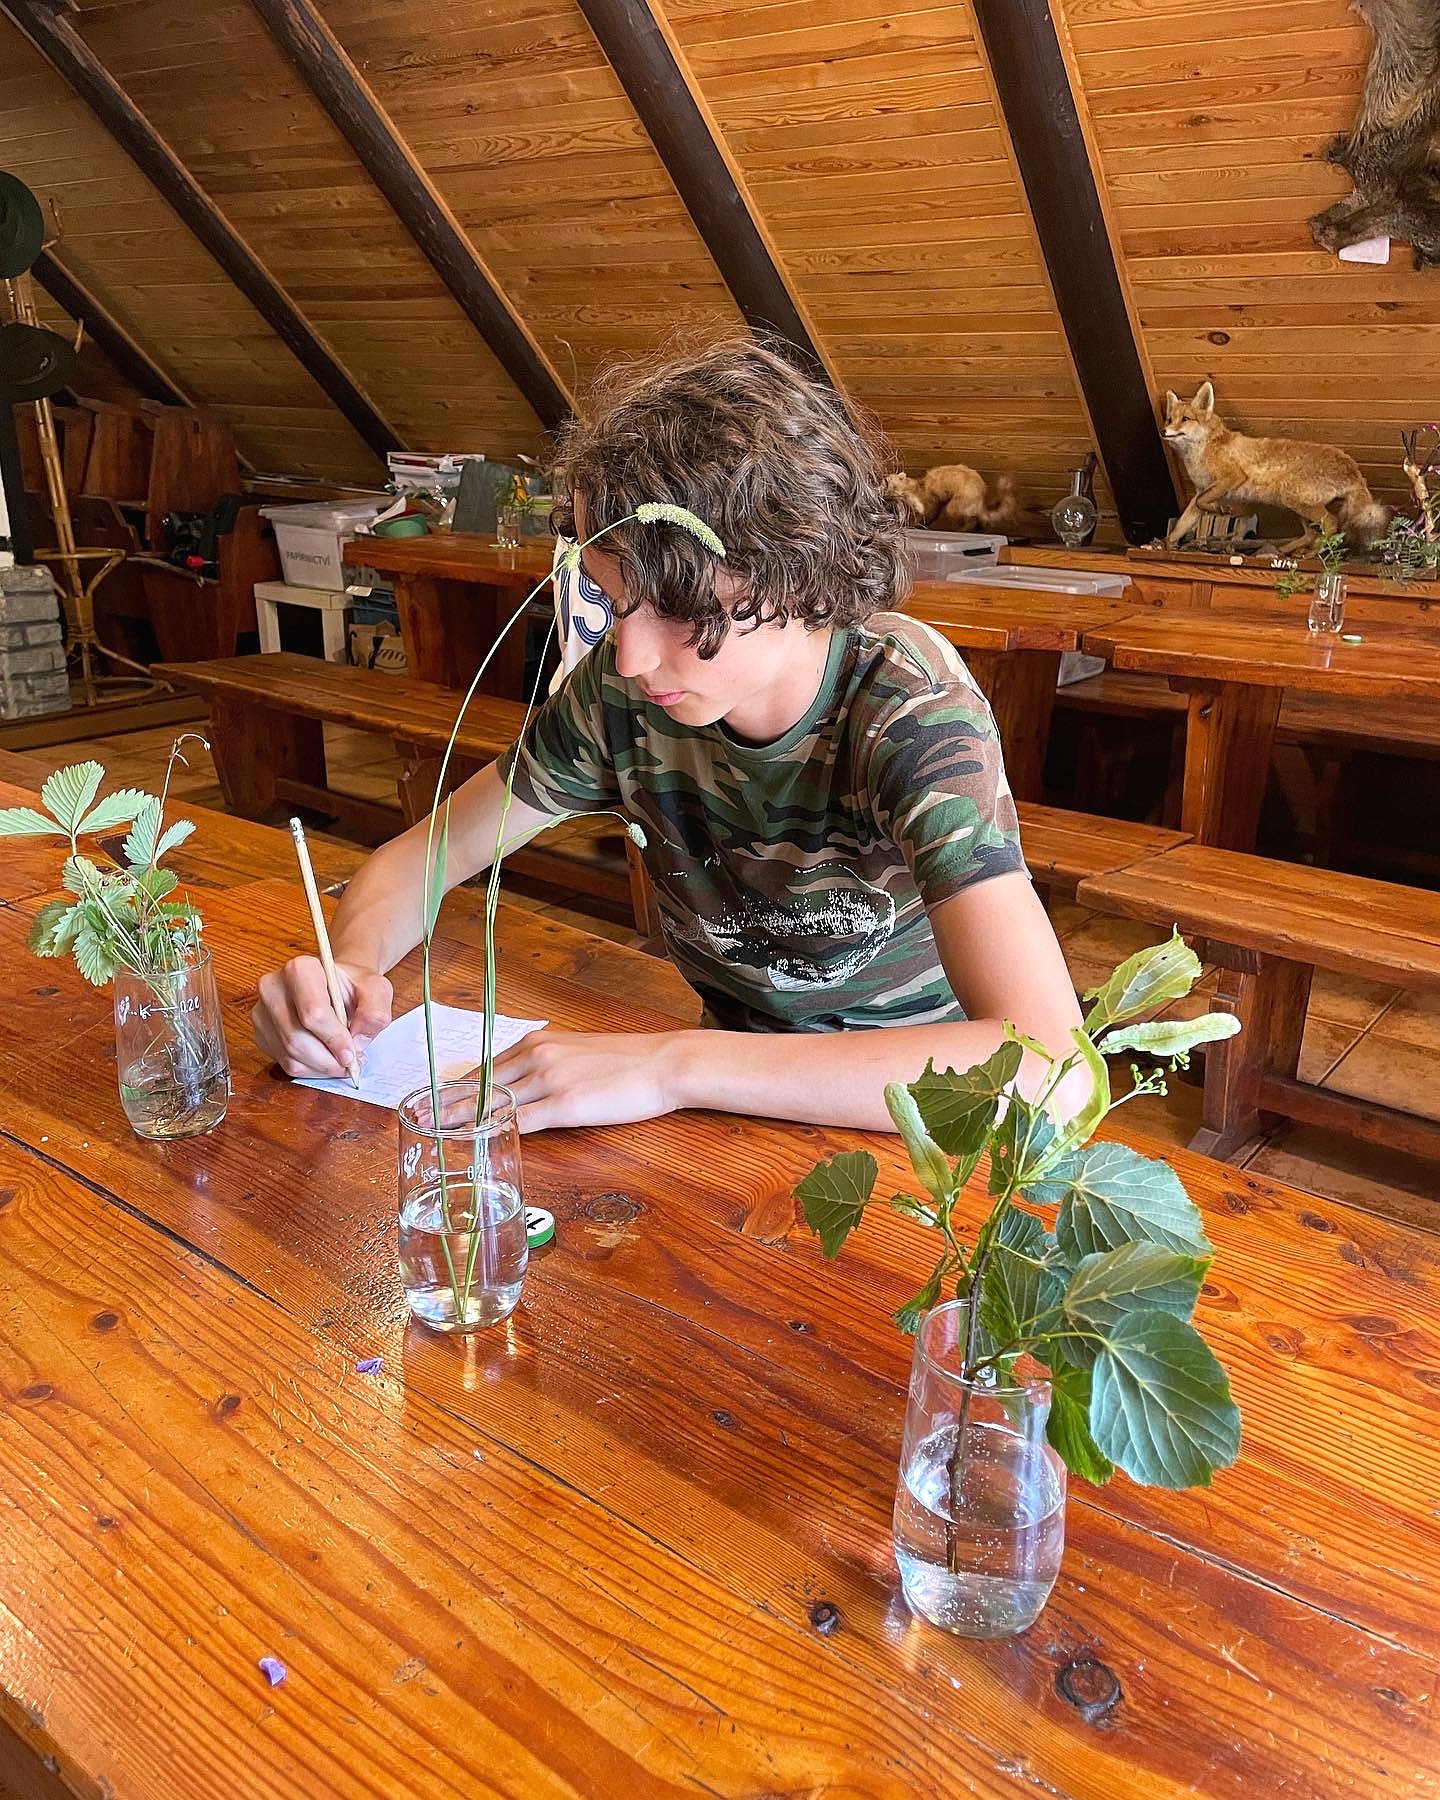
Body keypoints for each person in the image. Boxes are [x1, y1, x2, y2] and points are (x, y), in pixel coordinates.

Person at [253, 339, 1084, 1134]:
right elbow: (426, 857)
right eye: (613, 601)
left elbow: (1051, 1071)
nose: (631, 656)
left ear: (800, 571)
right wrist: (349, 969)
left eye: (682, 610)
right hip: (725, 1101)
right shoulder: (624, 693)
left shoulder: (907, 709)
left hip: (912, 1126)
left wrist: (669, 1066)